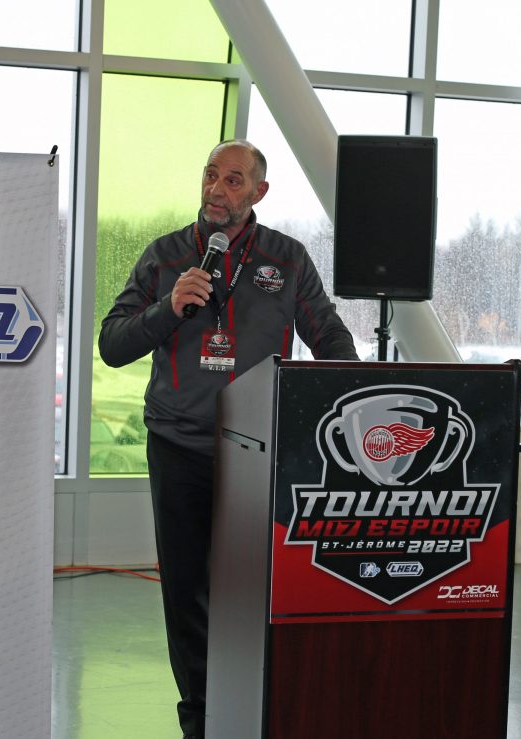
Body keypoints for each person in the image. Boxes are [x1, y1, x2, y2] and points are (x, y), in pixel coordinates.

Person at [98, 139, 359, 739]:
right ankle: (202, 720)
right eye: (211, 175)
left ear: (259, 193)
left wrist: (330, 408)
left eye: (234, 180)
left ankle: (264, 707)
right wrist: (169, 307)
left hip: (260, 455)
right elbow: (113, 345)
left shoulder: (287, 259)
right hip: (179, 447)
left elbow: (333, 342)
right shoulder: (165, 257)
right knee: (187, 594)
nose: (217, 189)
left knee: (257, 591)